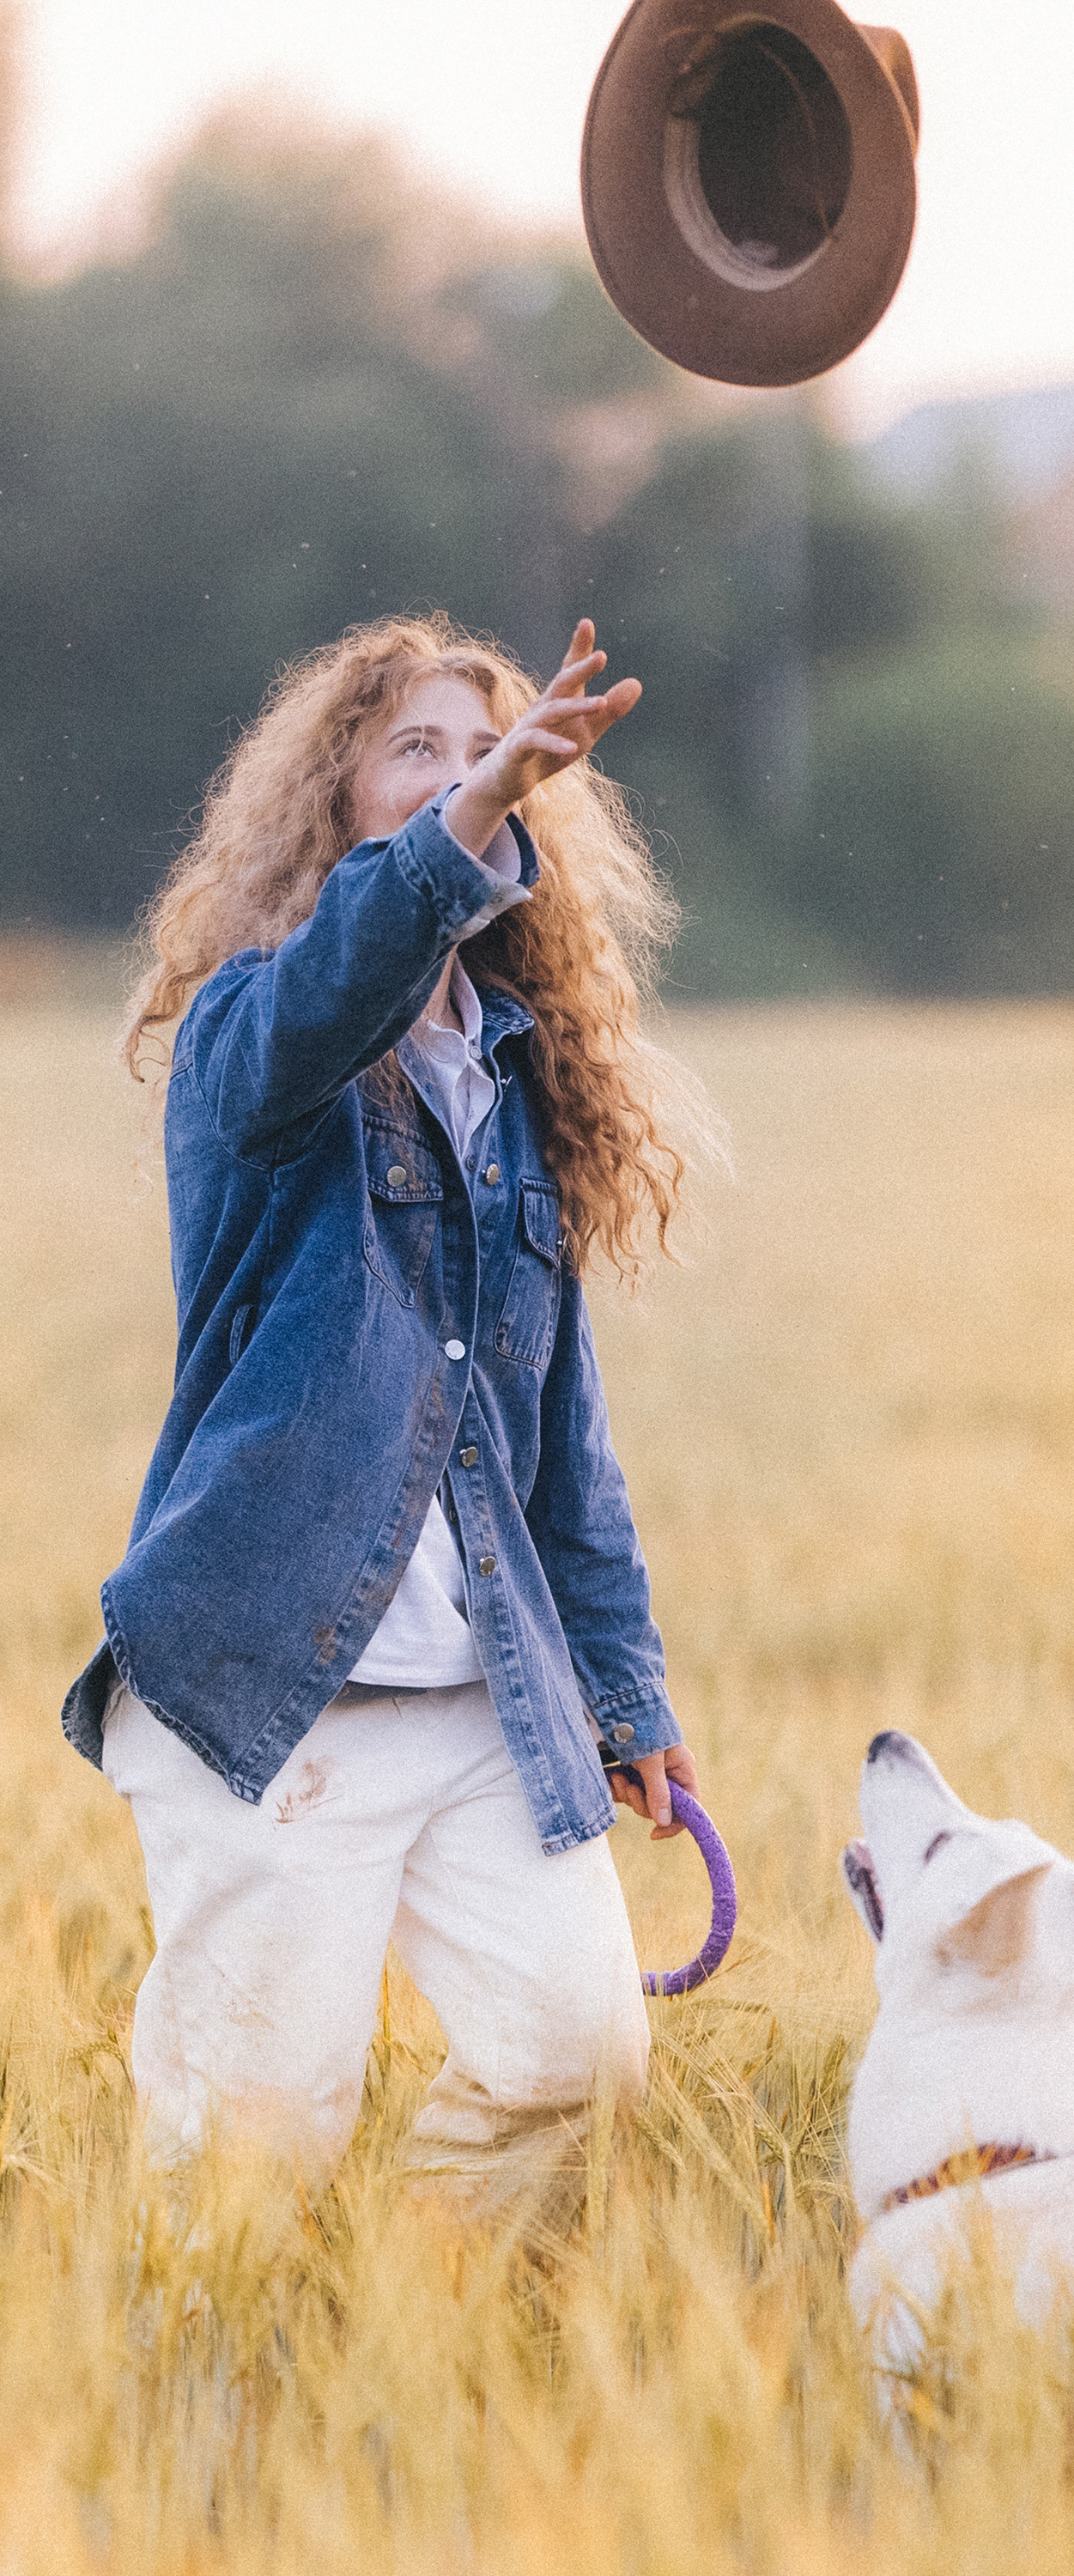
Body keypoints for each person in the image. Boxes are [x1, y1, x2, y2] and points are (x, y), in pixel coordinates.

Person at [61, 611, 713, 2193]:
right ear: (338, 802)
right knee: (247, 2163)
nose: (459, 772)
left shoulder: (511, 1075)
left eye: (483, 747)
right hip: (275, 1693)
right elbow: (344, 974)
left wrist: (624, 1695)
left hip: (484, 1692)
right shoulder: (255, 1032)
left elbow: (563, 1436)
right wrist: (475, 805)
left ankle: (390, 2342)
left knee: (580, 2056)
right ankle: (207, 2426)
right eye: (415, 748)